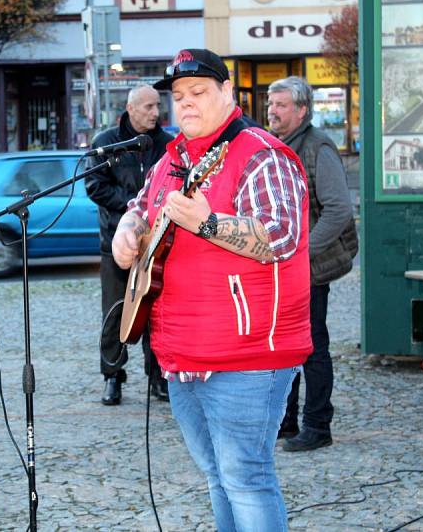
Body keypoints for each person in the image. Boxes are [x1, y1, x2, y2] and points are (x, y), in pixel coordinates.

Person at [111, 49, 312, 530]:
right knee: (218, 476)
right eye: (178, 96)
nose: (186, 104)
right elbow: (142, 204)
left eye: (199, 92)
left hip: (247, 353)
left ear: (227, 93)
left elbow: (281, 234)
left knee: (246, 475)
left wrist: (208, 223)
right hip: (182, 352)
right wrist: (128, 227)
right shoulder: (175, 156)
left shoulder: (261, 154)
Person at [267, 76, 357, 453]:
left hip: (309, 266)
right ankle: (285, 422)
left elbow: (338, 210)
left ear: (302, 110)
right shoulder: (276, 144)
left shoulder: (318, 145)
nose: (272, 111)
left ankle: (318, 425)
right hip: (284, 265)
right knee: (284, 347)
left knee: (311, 346)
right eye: (271, 104)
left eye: (282, 105)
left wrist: (301, 252)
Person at [84, 84, 173, 405]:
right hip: (116, 244)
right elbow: (95, 186)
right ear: (131, 108)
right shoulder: (106, 143)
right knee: (115, 313)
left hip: (158, 245)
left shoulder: (168, 145)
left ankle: (158, 376)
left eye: (157, 106)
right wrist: (136, 206)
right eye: (148, 106)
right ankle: (112, 376)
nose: (155, 112)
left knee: (156, 315)